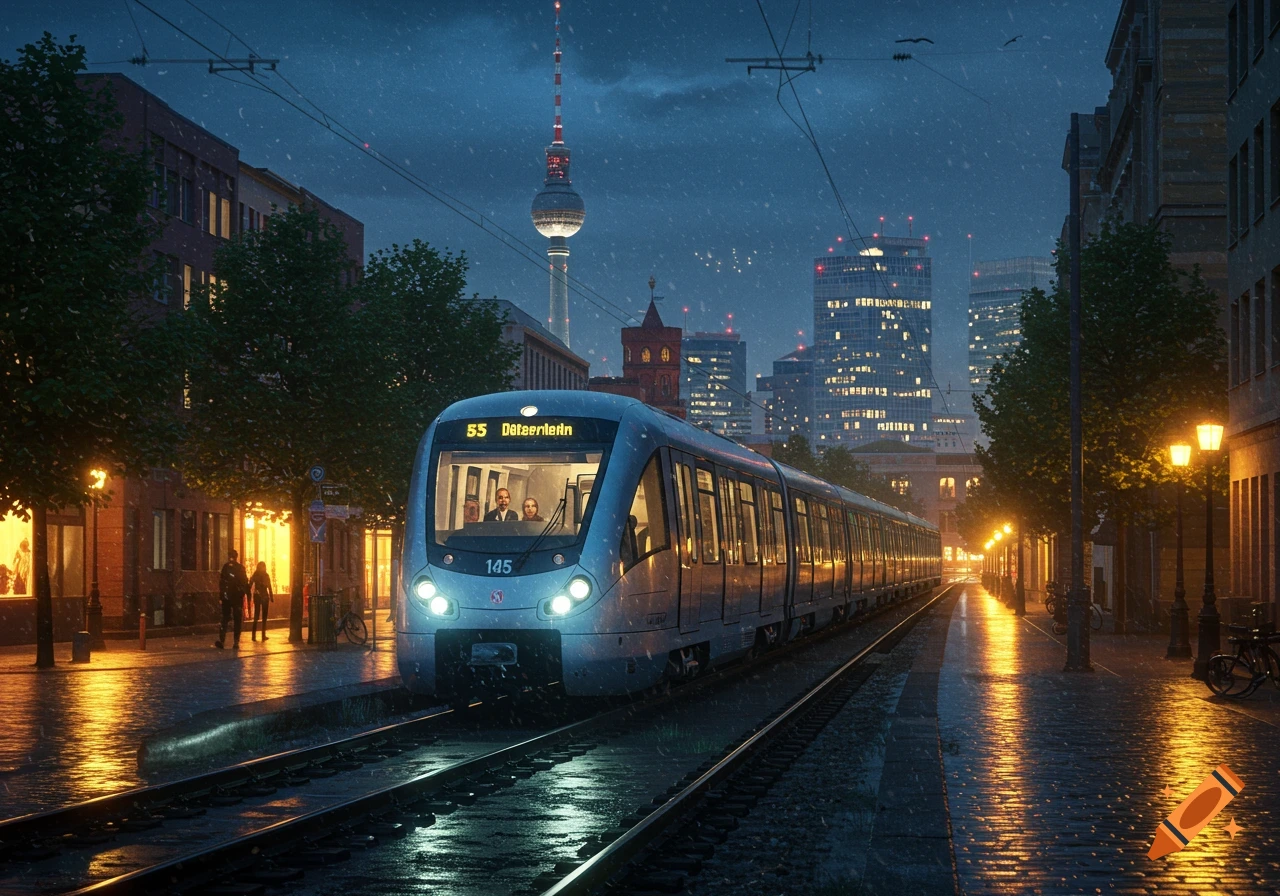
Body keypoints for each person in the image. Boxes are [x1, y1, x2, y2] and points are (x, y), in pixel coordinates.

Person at [216, 549, 250, 649]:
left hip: (233, 597)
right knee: (230, 619)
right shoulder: (229, 568)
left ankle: (232, 641)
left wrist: (240, 592)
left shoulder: (233, 568)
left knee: (231, 619)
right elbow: (222, 582)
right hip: (231, 597)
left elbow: (243, 582)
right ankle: (228, 641)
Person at [249, 561, 273, 641]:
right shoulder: (265, 575)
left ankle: (254, 635)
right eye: (263, 566)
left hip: (258, 596)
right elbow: (269, 586)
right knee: (263, 616)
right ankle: (262, 635)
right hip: (263, 596)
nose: (264, 568)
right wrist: (271, 596)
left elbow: (250, 583)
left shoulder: (256, 575)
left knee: (257, 615)